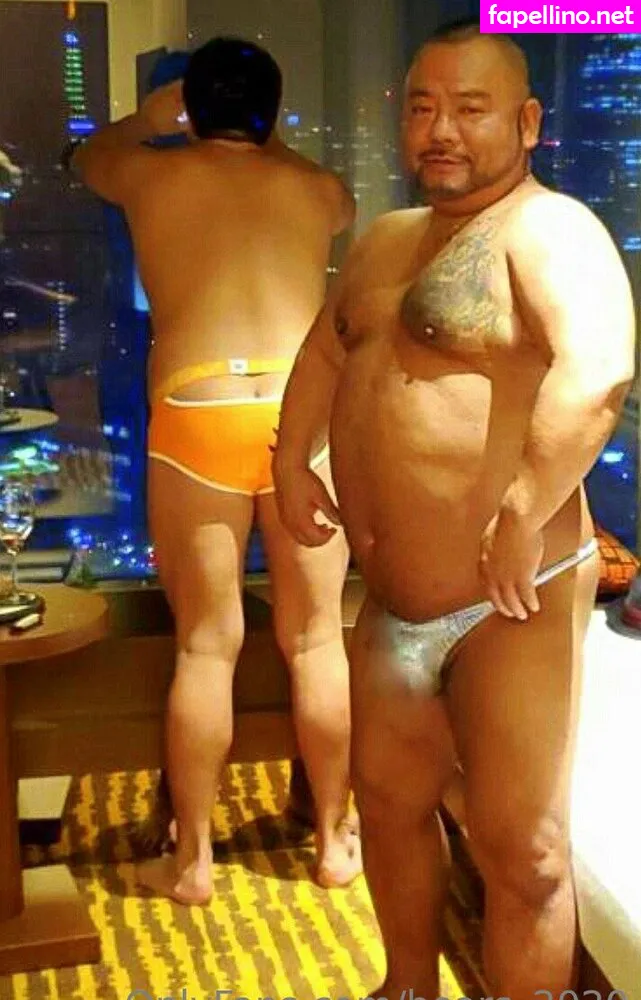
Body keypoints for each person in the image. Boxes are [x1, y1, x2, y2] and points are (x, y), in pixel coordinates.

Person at [273, 19, 636, 1000]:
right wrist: (289, 457)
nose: (439, 130)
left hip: (505, 601)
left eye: (469, 109)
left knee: (522, 851)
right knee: (388, 804)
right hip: (390, 599)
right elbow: (324, 347)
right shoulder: (385, 241)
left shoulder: (549, 232)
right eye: (422, 108)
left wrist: (522, 509)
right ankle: (406, 985)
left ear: (526, 122)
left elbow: (597, 370)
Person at [71, 36, 361, 904]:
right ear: (272, 114)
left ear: (191, 105)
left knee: (205, 644)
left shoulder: (150, 174)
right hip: (299, 413)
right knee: (316, 640)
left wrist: (150, 119)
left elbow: (88, 158)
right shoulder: (316, 187)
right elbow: (335, 200)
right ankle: (334, 842)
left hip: (198, 408)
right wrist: (266, 136)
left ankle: (192, 861)